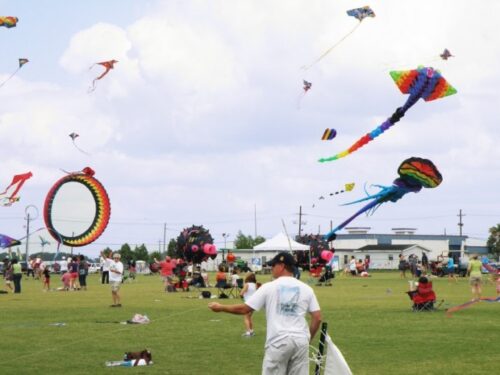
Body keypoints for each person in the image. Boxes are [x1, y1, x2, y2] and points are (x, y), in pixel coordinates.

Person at [208, 252, 321, 375]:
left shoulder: (269, 287)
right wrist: (307, 339)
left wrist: (221, 307)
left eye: (273, 265)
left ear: (282, 266)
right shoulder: (307, 288)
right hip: (301, 341)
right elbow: (317, 317)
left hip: (278, 342)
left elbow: (245, 309)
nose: (271, 268)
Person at [240, 273, 258, 337]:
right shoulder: (255, 285)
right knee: (249, 317)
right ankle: (251, 330)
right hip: (254, 302)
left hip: (248, 303)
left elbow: (241, 293)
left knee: (246, 317)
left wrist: (242, 295)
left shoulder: (247, 284)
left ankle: (248, 332)